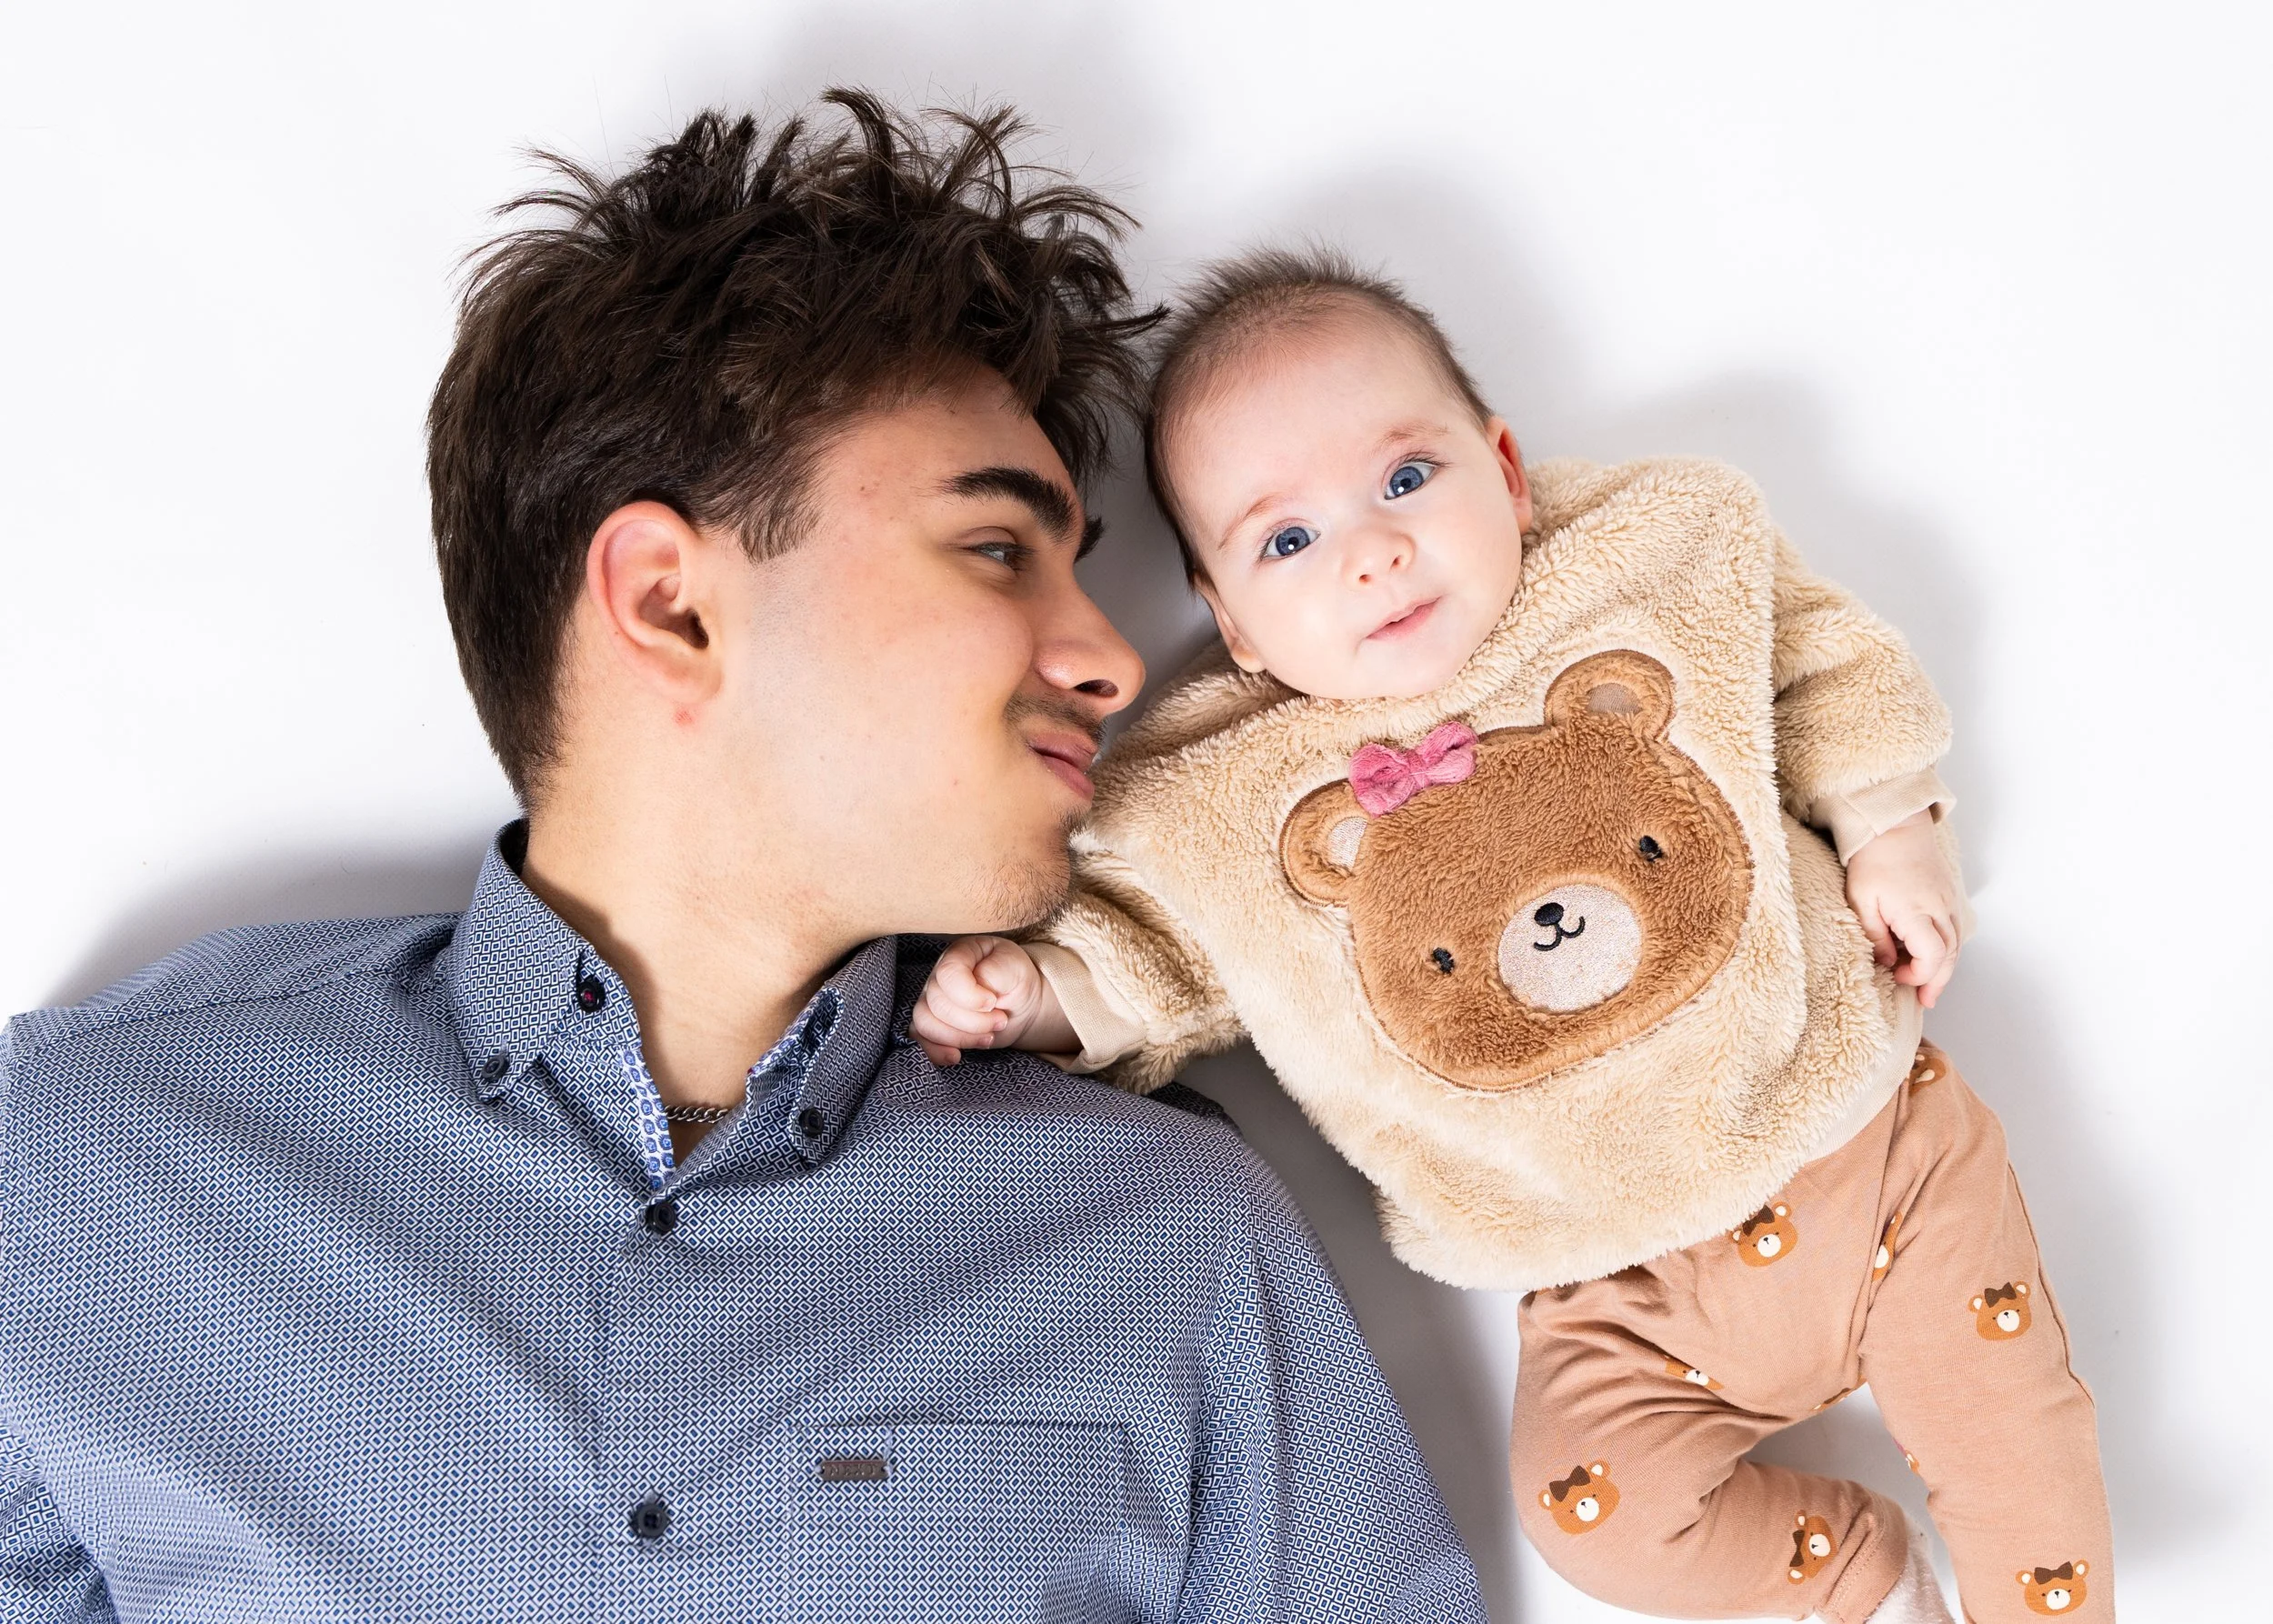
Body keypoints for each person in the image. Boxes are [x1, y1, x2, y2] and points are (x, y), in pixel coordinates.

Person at [0, 103, 1486, 1621]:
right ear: (669, 604)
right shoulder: (70, 1170)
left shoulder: (1172, 1238)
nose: (1109, 657)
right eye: (995, 546)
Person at [913, 248, 2112, 1623]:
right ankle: (1853, 1573)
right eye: (1286, 540)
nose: (1371, 550)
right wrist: (1040, 994)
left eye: (1406, 478)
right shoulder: (1217, 800)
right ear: (1229, 616)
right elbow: (1156, 960)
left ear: (1507, 467)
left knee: (2017, 1444)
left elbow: (1819, 656)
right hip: (1613, 1292)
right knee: (1591, 1517)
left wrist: (1894, 820)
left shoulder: (1648, 570)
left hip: (1865, 1149)